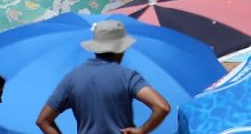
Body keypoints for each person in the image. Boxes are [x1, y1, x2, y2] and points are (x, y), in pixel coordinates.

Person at [36, 20, 171, 134]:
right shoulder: (127, 76)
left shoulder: (72, 78)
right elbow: (162, 107)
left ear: (95, 47)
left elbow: (43, 120)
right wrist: (141, 130)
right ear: (121, 48)